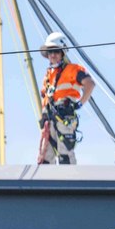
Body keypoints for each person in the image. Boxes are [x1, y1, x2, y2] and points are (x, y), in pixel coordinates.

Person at [38, 32, 95, 165]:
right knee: (45, 158)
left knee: (65, 156)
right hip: (49, 121)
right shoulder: (48, 76)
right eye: (50, 51)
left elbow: (90, 84)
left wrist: (79, 104)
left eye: (56, 51)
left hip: (64, 118)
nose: (52, 55)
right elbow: (45, 97)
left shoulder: (72, 69)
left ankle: (69, 178)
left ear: (63, 52)